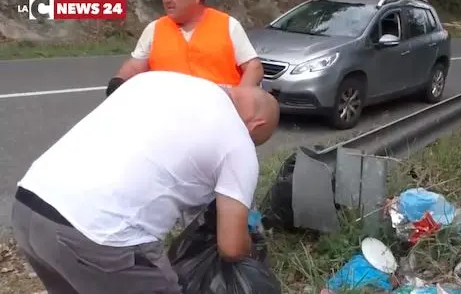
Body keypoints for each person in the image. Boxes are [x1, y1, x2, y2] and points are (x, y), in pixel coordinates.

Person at [11, 70, 279, 294]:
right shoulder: (238, 141)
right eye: (256, 141)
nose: (251, 145)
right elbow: (232, 247)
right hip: (97, 236)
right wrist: (254, 258)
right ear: (257, 124)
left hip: (29, 208)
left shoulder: (159, 80)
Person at [106, 0, 264, 96]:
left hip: (217, 120)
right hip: (170, 121)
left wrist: (239, 100)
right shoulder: (154, 29)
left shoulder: (229, 26)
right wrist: (119, 81)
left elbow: (254, 68)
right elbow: (136, 65)